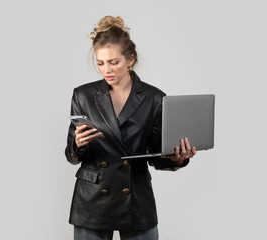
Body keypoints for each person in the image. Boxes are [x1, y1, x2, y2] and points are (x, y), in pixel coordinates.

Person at [65, 16, 197, 240]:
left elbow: (156, 155)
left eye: (114, 62)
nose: (106, 70)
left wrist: (177, 159)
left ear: (130, 60)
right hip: (92, 200)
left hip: (135, 198)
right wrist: (77, 144)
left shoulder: (154, 98)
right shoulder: (83, 95)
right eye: (100, 63)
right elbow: (71, 156)